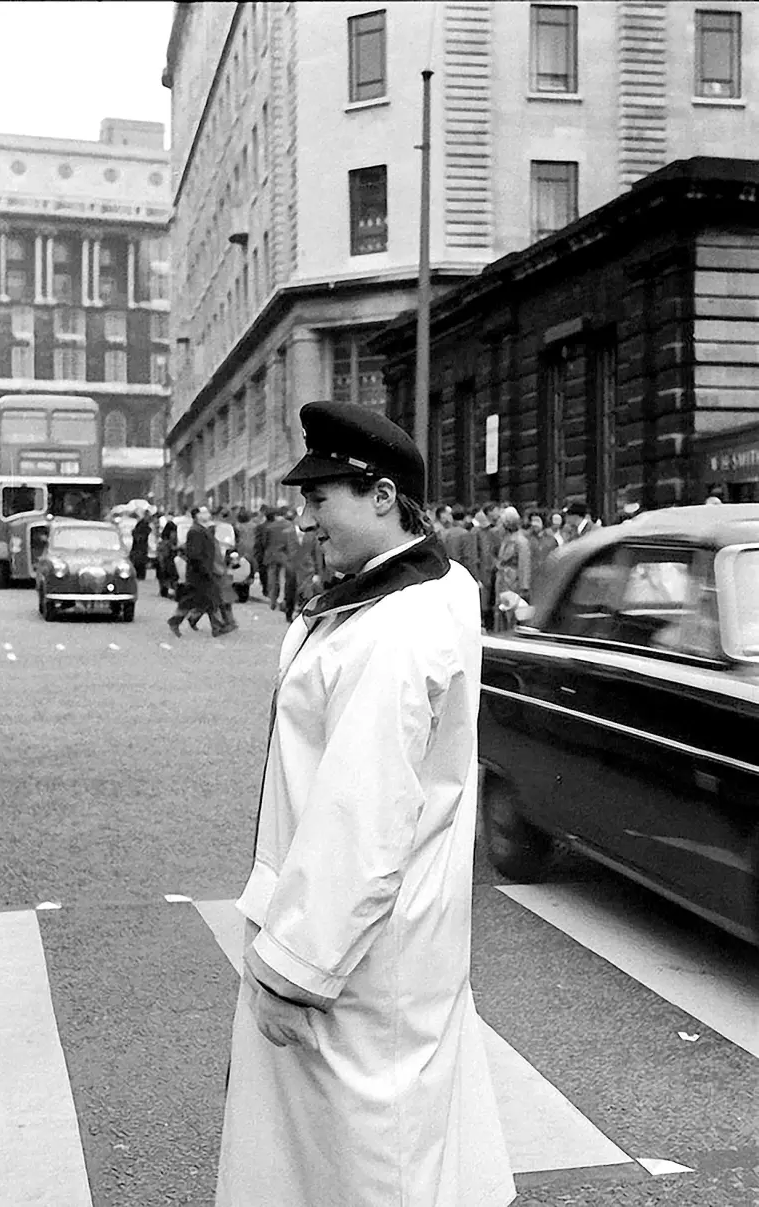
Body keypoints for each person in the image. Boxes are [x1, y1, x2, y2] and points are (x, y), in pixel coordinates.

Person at [220, 400, 515, 1207]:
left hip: (357, 956)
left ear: (381, 495)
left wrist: (291, 971)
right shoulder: (424, 588)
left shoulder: (393, 627)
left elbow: (362, 816)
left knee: (365, 1168)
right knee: (399, 1154)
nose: (305, 517)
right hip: (392, 942)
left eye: (320, 499)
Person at [166, 506, 225, 637]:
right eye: (203, 513)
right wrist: (204, 569)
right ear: (197, 516)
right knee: (197, 599)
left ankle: (217, 626)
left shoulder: (201, 529)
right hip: (199, 573)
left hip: (204, 571)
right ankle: (175, 621)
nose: (207, 514)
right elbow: (194, 554)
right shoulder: (195, 531)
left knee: (208, 599)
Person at [282, 511, 324, 623]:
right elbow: (281, 550)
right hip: (292, 569)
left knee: (306, 592)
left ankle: (302, 615)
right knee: (290, 592)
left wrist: (318, 573)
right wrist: (286, 562)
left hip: (307, 569)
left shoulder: (313, 535)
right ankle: (289, 612)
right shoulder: (287, 533)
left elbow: (317, 554)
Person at [467, 502, 503, 630]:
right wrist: (476, 576)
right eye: (496, 510)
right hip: (483, 572)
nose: (499, 513)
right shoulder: (477, 531)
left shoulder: (495, 530)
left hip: (493, 571)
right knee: (484, 602)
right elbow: (473, 555)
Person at [494, 505, 531, 632]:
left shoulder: (521, 541)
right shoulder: (505, 540)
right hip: (503, 580)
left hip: (513, 582)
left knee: (512, 614)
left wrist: (524, 587)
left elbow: (524, 565)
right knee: (501, 613)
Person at [256, 506, 293, 611]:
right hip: (285, 556)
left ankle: (272, 601)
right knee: (283, 579)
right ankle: (282, 598)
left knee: (272, 579)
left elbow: (264, 543)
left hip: (271, 555)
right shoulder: (289, 526)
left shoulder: (270, 527)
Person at [525, 510, 558, 600]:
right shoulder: (526, 539)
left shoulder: (551, 540)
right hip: (531, 578)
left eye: (537, 521)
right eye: (533, 521)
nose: (534, 524)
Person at [155, 519, 179, 598]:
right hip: (166, 566)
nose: (175, 535)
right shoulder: (165, 544)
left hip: (167, 566)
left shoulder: (166, 543)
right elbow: (162, 556)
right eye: (173, 532)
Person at [129, 511, 152, 581]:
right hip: (139, 549)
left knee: (141, 562)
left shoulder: (144, 524)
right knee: (139, 562)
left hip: (142, 549)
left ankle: (140, 575)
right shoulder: (141, 525)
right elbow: (138, 535)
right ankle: (140, 576)